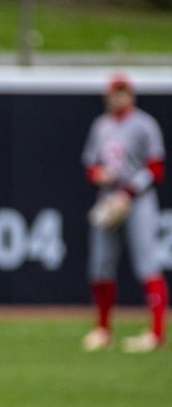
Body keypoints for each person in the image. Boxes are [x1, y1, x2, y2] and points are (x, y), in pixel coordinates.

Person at [80, 72, 167, 353]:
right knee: (101, 264)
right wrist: (99, 175)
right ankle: (103, 329)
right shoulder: (101, 125)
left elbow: (156, 168)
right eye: (113, 92)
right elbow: (91, 165)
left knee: (147, 263)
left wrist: (127, 194)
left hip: (138, 200)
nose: (117, 97)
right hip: (108, 198)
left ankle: (156, 333)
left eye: (122, 91)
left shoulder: (144, 124)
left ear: (130, 94)